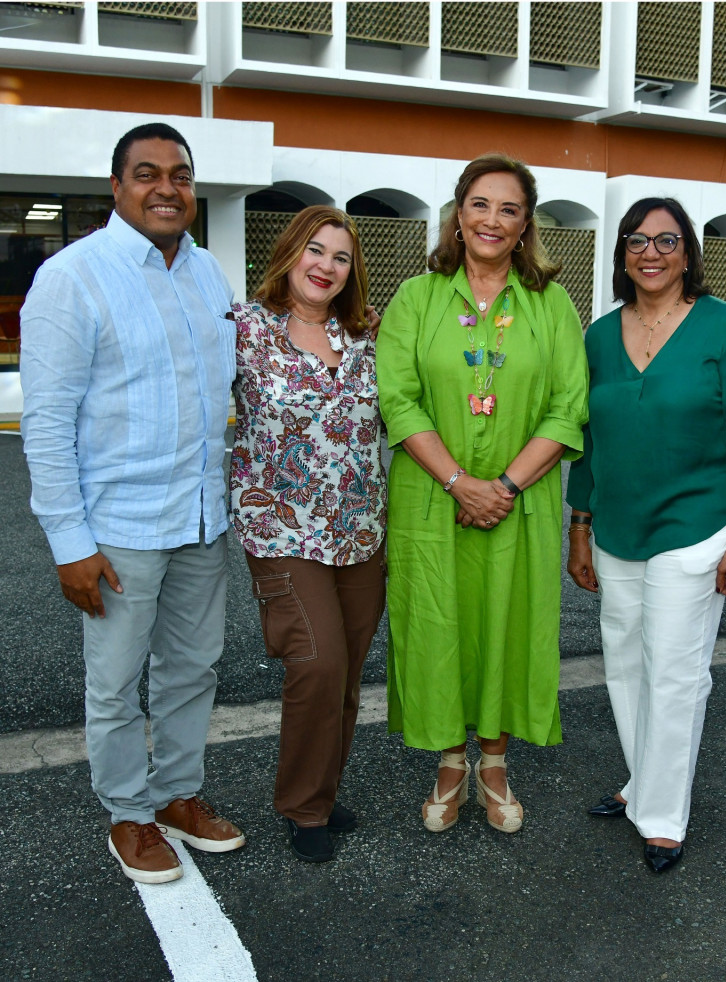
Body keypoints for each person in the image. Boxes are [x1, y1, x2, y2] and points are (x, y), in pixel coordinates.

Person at [20, 122, 245, 885]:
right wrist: (68, 544)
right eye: (146, 173)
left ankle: (178, 792)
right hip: (118, 529)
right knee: (115, 682)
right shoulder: (73, 277)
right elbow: (47, 423)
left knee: (193, 668)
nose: (166, 187)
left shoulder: (209, 273)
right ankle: (128, 811)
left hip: (202, 517)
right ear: (116, 187)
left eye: (180, 174)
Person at [375, 153, 589, 834]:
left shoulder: (550, 303)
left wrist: (501, 486)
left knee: (508, 621)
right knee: (439, 624)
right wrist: (459, 483)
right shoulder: (417, 297)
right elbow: (398, 398)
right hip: (431, 501)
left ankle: (494, 762)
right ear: (458, 214)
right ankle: (448, 761)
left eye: (509, 209)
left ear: (526, 225)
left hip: (518, 504)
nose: (492, 220)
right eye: (480, 204)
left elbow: (567, 405)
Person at [566, 197, 726, 873]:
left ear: (688, 252)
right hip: (618, 527)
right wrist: (581, 524)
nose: (650, 253)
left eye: (665, 240)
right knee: (625, 662)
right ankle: (642, 783)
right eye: (636, 240)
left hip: (697, 525)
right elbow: (590, 443)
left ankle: (661, 817)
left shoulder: (723, 329)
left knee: (676, 673)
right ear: (622, 253)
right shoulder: (599, 336)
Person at [229, 206, 386, 863]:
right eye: (314, 251)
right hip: (281, 529)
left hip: (361, 529)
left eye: (340, 257)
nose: (325, 266)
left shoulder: (369, 337)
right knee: (317, 661)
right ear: (290, 254)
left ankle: (321, 789)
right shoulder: (243, 329)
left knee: (346, 672)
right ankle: (301, 805)